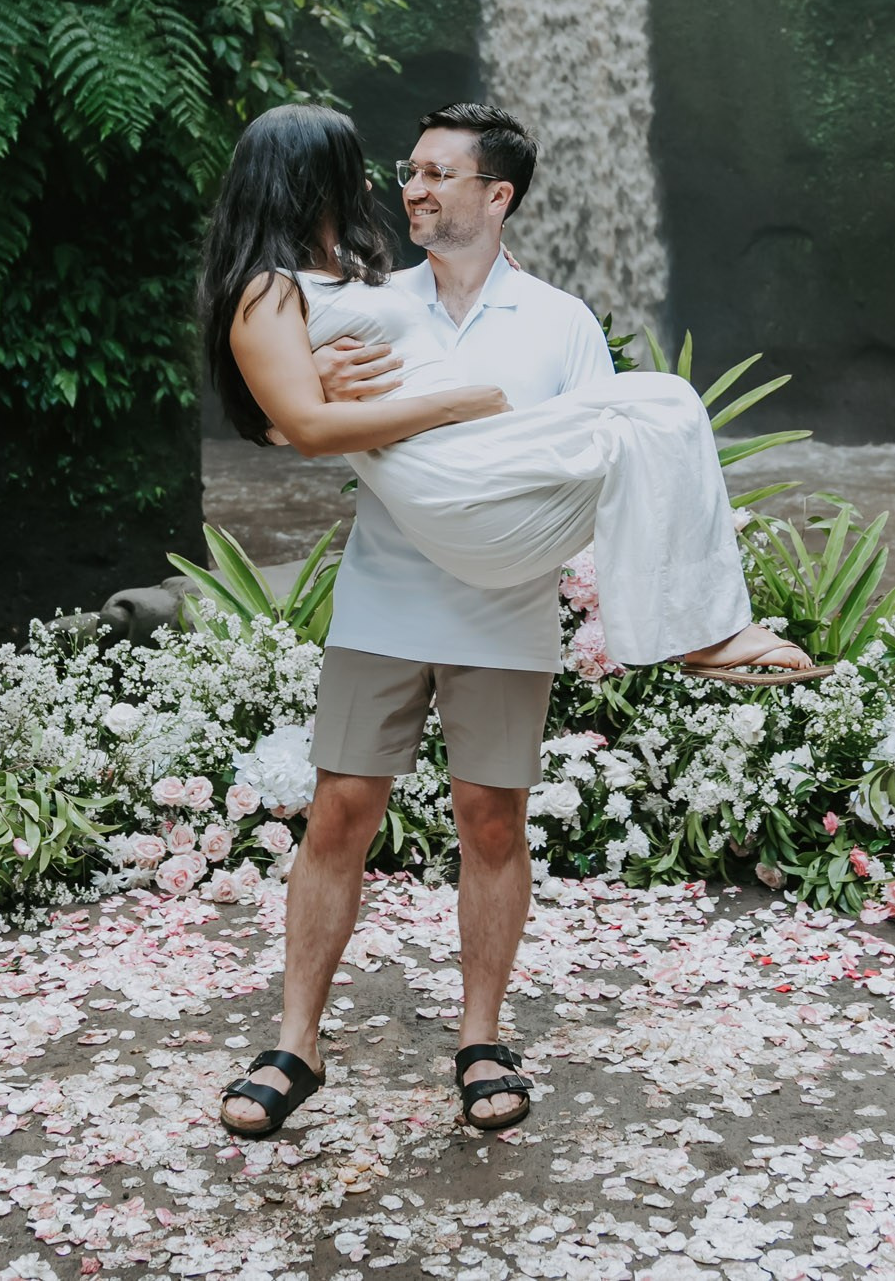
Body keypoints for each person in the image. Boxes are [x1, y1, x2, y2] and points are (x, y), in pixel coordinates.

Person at [203, 102, 817, 1143]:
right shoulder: (365, 295)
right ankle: (295, 1039)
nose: (412, 190)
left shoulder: (561, 321)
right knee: (338, 813)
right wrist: (280, 415)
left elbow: (586, 467)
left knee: (492, 822)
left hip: (503, 595)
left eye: (441, 174)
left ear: (499, 196)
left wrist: (595, 587)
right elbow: (289, 398)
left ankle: (480, 1035)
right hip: (388, 595)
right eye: (408, 173)